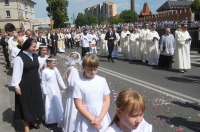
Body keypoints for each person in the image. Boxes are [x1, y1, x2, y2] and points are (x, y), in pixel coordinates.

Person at [11, 38, 44, 132]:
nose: (35, 48)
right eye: (33, 47)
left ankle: (32, 120)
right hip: (24, 85)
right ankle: (26, 126)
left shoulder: (35, 56)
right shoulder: (20, 57)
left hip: (35, 83)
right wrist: (16, 86)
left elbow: (35, 69)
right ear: (27, 46)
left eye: (36, 47)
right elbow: (16, 73)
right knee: (25, 105)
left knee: (34, 103)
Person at [73, 54, 111, 132]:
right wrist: (93, 120)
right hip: (86, 116)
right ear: (83, 67)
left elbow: (107, 100)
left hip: (101, 114)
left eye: (95, 69)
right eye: (90, 69)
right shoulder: (78, 83)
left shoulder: (102, 80)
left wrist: (100, 119)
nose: (93, 72)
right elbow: (79, 105)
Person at [41, 57, 66, 125]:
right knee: (50, 103)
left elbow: (59, 78)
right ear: (49, 63)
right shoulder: (44, 71)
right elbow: (43, 82)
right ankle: (51, 119)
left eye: (55, 62)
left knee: (57, 102)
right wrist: (45, 91)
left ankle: (59, 117)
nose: (55, 64)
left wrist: (63, 86)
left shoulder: (55, 69)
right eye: (53, 63)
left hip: (56, 88)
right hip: (49, 89)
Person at [61, 52, 81, 132]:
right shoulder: (74, 70)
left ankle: (68, 125)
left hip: (70, 93)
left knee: (69, 109)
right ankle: (72, 127)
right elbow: (73, 83)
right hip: (73, 93)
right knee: (73, 111)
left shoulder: (70, 68)